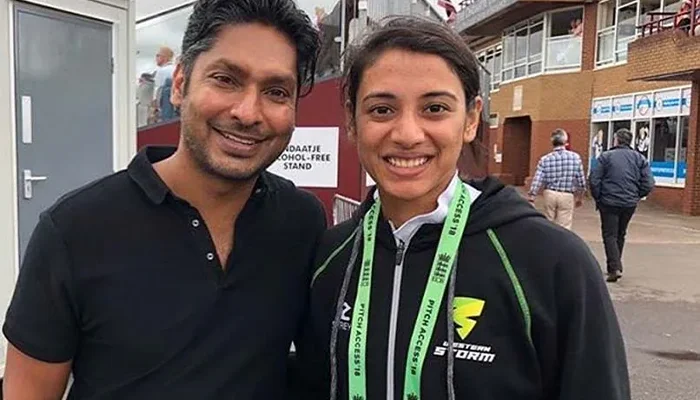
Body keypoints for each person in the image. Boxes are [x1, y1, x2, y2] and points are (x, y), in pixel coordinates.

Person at [292, 16, 630, 400]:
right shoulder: (330, 257)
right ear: (352, 123)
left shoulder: (552, 262)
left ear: (470, 120)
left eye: (434, 108)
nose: (407, 134)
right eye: (382, 110)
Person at [3, 1, 324, 399]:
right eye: (225, 79)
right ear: (180, 83)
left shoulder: (301, 223)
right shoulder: (75, 231)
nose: (247, 112)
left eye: (276, 91)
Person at [590, 128, 654, 283]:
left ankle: (614, 267)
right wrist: (637, 195)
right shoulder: (639, 158)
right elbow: (649, 183)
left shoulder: (606, 157)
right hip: (629, 203)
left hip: (609, 201)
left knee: (610, 234)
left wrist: (598, 197)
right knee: (620, 233)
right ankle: (615, 264)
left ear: (616, 140)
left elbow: (594, 179)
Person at [527, 129, 586, 230]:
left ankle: (548, 242)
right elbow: (581, 180)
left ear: (552, 142)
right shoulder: (575, 157)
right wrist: (580, 197)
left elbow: (538, 179)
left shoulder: (545, 159)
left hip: (550, 193)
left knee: (548, 222)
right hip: (567, 194)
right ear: (565, 141)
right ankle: (562, 244)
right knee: (564, 225)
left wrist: (532, 195)